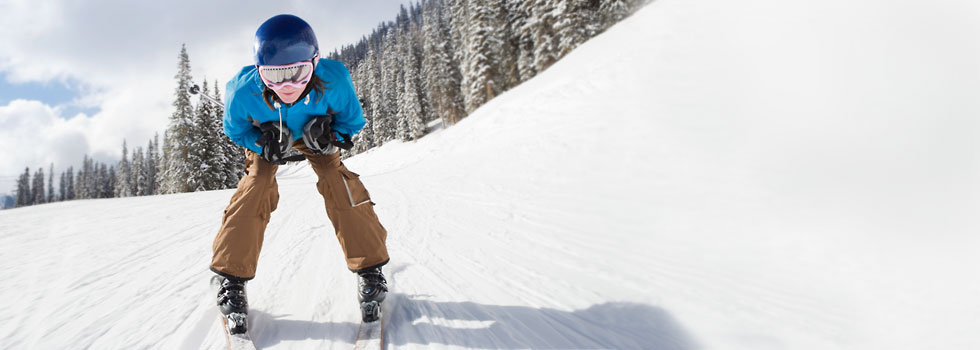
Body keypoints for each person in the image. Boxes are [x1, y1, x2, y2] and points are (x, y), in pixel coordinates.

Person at [209, 14, 389, 335]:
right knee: (257, 184)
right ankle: (231, 276)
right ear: (259, 72)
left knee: (336, 179)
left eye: (298, 72)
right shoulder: (242, 91)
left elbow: (353, 123)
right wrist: (259, 140)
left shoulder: (334, 80)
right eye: (274, 76)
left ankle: (370, 269)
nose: (286, 86)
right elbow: (234, 130)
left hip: (314, 134)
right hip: (269, 136)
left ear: (315, 63)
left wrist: (329, 137)